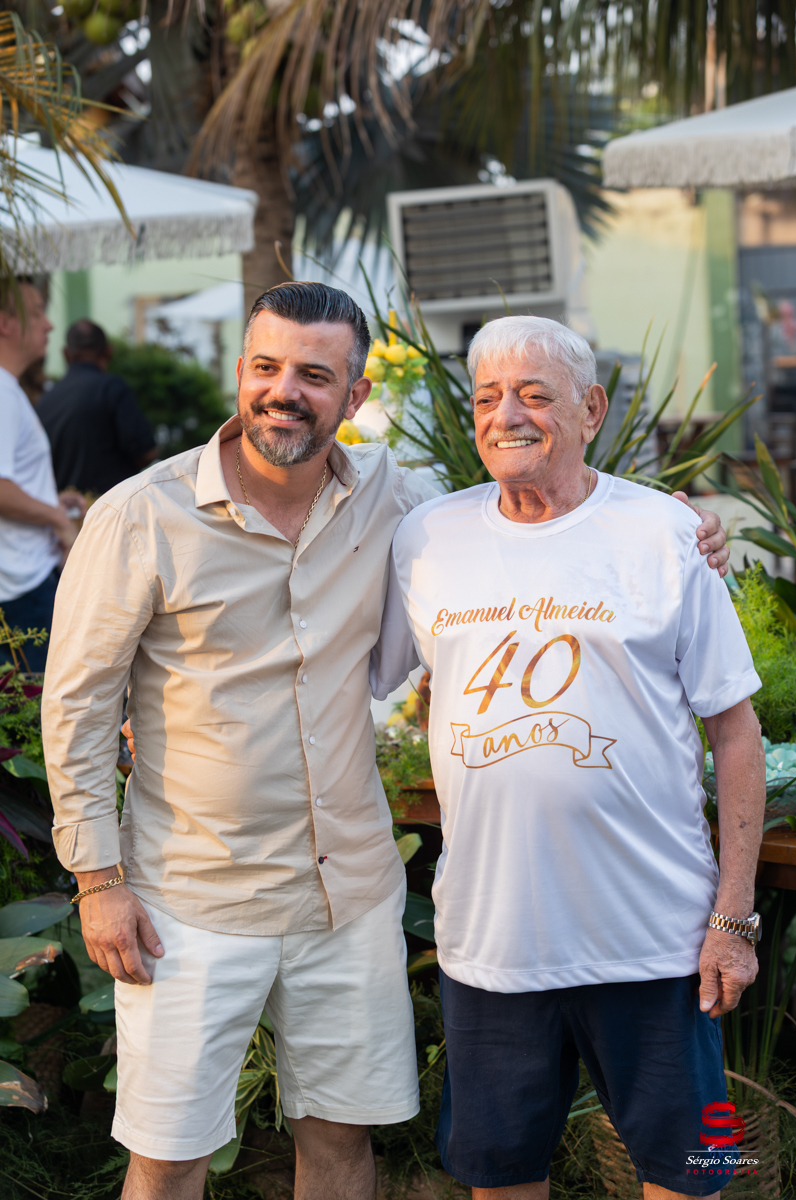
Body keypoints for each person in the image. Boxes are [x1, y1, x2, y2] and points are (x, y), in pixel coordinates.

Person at [42, 283, 730, 1200]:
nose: (285, 391)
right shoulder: (141, 515)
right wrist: (98, 881)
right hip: (191, 897)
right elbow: (78, 706)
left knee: (341, 1142)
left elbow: (532, 522)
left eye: (314, 375)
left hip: (350, 893)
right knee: (169, 1159)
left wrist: (681, 528)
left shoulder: (401, 505)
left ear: (355, 395)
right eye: (266, 367)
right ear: (240, 373)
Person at [371, 315, 766, 1200]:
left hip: (656, 941)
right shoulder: (427, 538)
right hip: (492, 945)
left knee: (693, 1177)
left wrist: (734, 919)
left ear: (590, 409)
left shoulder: (664, 532)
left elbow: (736, 732)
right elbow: (357, 666)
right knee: (500, 1177)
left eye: (533, 394)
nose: (506, 414)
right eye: (487, 397)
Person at [0, 279, 83, 671]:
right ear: (5, 323)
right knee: (42, 703)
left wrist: (51, 501)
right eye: (36, 313)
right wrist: (58, 521)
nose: (49, 325)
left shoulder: (8, 389)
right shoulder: (2, 391)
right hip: (22, 588)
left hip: (22, 582)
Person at [37, 319, 157, 496]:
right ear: (108, 351)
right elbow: (147, 453)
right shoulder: (113, 389)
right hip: (112, 505)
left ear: (66, 354)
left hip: (63, 508)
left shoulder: (45, 401)